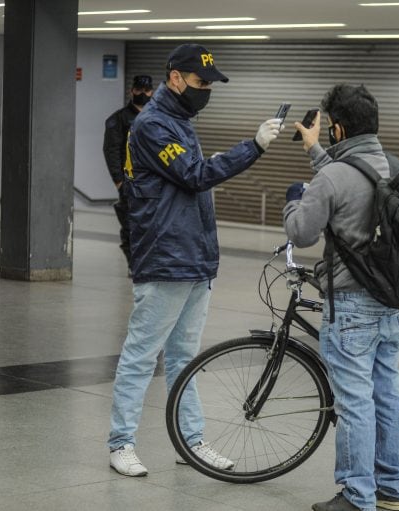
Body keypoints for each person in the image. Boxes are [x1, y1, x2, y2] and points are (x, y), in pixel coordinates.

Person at [107, 43, 283, 477]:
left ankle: (191, 439)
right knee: (141, 355)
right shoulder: (153, 126)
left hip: (194, 258)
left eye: (210, 84)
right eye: (202, 82)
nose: (207, 90)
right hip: (166, 258)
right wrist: (253, 147)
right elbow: (194, 175)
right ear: (176, 78)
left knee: (186, 357)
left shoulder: (181, 122)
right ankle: (121, 442)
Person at [283, 84, 399, 511]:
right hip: (391, 302)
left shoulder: (332, 178)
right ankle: (394, 490)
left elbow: (302, 231)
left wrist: (293, 202)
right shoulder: (394, 167)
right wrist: (315, 149)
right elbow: (351, 181)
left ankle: (358, 497)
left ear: (337, 128)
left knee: (355, 402)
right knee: (386, 397)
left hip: (352, 306)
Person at [103, 74, 154, 269]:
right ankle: (134, 265)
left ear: (152, 92)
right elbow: (111, 149)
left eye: (146, 91)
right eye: (139, 90)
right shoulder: (119, 119)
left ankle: (149, 263)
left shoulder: (156, 117)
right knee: (131, 226)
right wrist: (119, 181)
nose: (143, 94)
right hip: (129, 181)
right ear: (131, 91)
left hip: (152, 182)